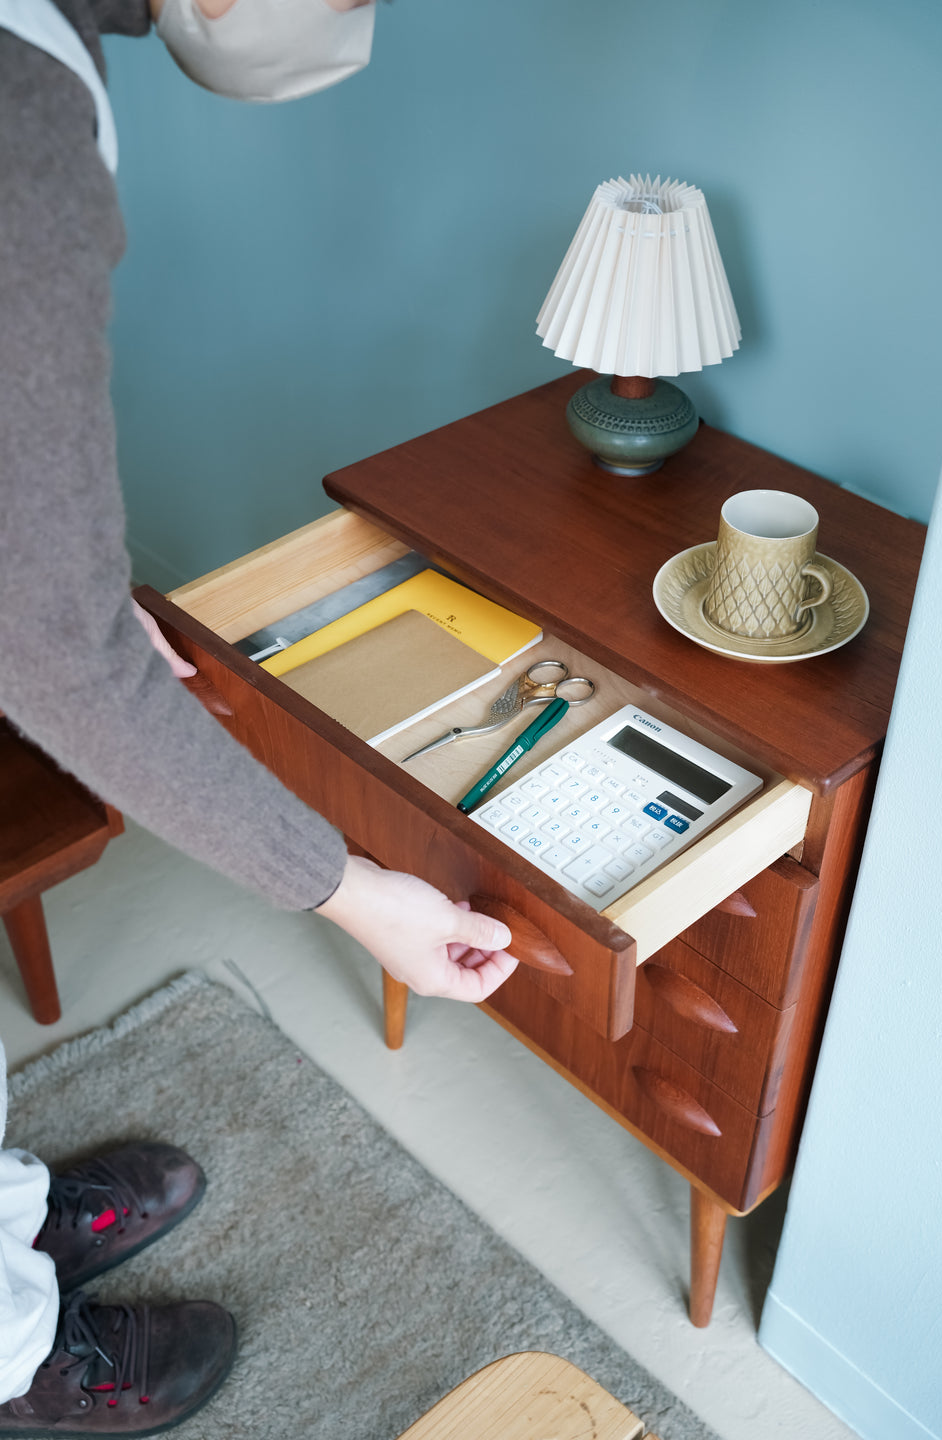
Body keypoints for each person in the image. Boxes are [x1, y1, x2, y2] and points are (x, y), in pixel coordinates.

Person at [0, 1, 518, 1430]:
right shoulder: (19, 129)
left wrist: (61, 593)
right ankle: (16, 1359)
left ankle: (8, 1216)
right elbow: (61, 667)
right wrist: (359, 895)